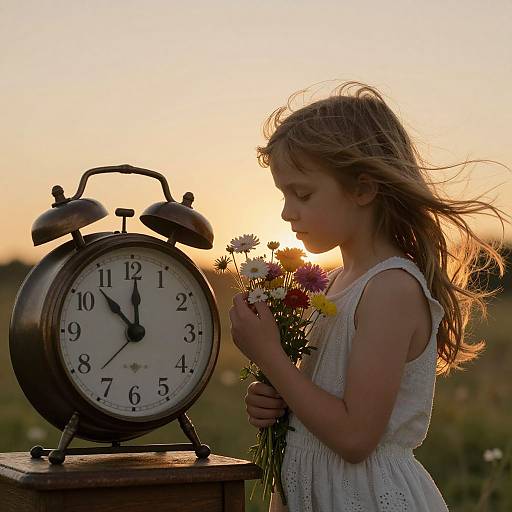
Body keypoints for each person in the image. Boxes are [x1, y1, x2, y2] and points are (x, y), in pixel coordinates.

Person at [229, 80, 510, 511]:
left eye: (302, 193)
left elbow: (355, 437)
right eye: (283, 195)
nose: (287, 211)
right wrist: (277, 401)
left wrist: (271, 358)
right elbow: (322, 402)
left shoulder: (390, 289)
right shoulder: (337, 283)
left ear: (363, 189)